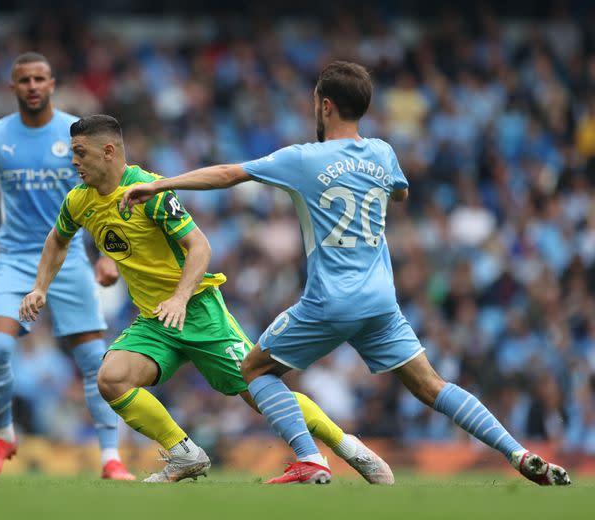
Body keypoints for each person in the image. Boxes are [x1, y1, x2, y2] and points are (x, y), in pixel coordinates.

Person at [120, 61, 572, 486]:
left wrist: (160, 183)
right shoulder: (382, 152)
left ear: (325, 105)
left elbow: (227, 173)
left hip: (330, 300)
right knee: (433, 385)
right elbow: (400, 194)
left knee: (255, 368)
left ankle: (309, 458)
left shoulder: (303, 159)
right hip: (380, 301)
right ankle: (517, 453)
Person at [20, 114, 394, 485]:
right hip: (156, 321)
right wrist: (40, 287)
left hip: (198, 311)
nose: (73, 162)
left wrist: (181, 298)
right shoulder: (78, 201)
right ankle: (184, 454)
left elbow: (199, 245)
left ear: (107, 151)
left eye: (80, 153)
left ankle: (349, 448)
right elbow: (57, 239)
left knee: (261, 393)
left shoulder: (149, 191)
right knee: (111, 378)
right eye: (72, 153)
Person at [0, 52, 133, 480]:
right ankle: (4, 435)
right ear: (12, 88)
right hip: (14, 258)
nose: (32, 86)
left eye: (39, 79)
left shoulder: (75, 134)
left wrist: (107, 254)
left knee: (94, 361)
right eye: (24, 80)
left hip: (67, 259)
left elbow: (107, 193)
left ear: (52, 84)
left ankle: (110, 457)